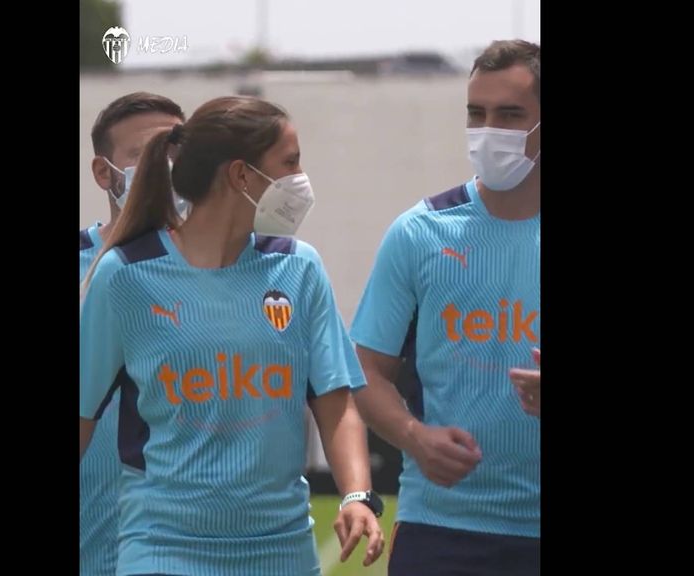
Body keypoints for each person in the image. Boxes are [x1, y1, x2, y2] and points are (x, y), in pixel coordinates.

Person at [80, 96, 385, 576]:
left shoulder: (299, 266)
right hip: (163, 548)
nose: (300, 179)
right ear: (242, 176)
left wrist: (357, 494)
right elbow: (83, 413)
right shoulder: (125, 275)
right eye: (290, 163)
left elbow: (335, 397)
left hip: (282, 550)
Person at [348, 39, 541, 576]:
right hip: (442, 529)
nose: (488, 131)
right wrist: (415, 436)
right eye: (476, 113)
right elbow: (364, 369)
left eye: (510, 115)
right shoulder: (421, 232)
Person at [79, 91, 185, 576]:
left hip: (182, 549)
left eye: (175, 151)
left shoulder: (223, 267)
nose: (164, 167)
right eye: (144, 154)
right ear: (104, 173)